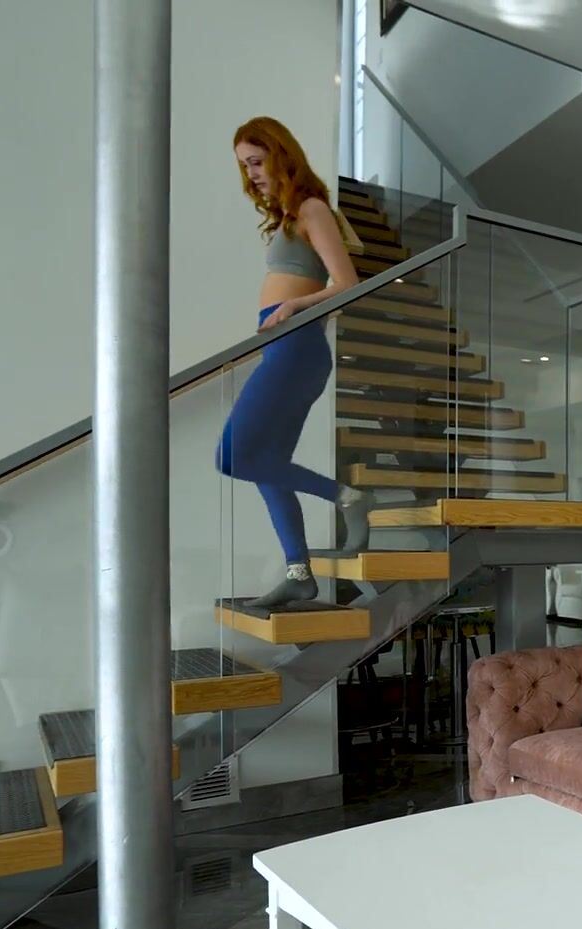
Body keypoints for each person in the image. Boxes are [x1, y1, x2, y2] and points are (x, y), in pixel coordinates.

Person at [218, 116, 373, 608]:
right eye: (245, 166)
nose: (251, 174)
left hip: (298, 346)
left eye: (256, 161)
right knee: (267, 465)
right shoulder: (289, 215)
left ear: (280, 155)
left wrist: (292, 306)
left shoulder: (311, 209)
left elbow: (347, 284)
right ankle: (299, 573)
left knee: (232, 456)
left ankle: (346, 497)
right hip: (285, 347)